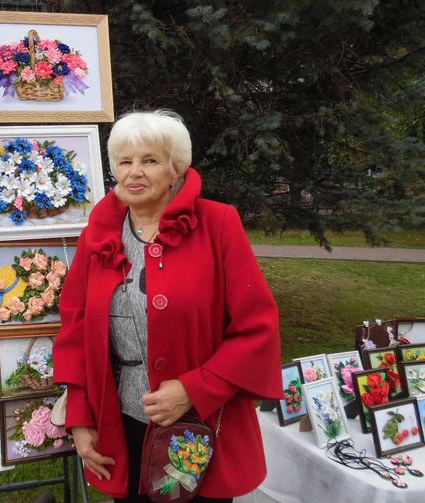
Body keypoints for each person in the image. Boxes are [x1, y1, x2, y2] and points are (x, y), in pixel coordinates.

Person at [53, 110, 283, 502]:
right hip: (121, 426)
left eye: (150, 161)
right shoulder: (99, 235)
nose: (134, 172)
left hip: (201, 423)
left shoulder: (218, 224)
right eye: (124, 162)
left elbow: (257, 327)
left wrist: (196, 389)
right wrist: (79, 415)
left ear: (176, 170)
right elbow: (74, 328)